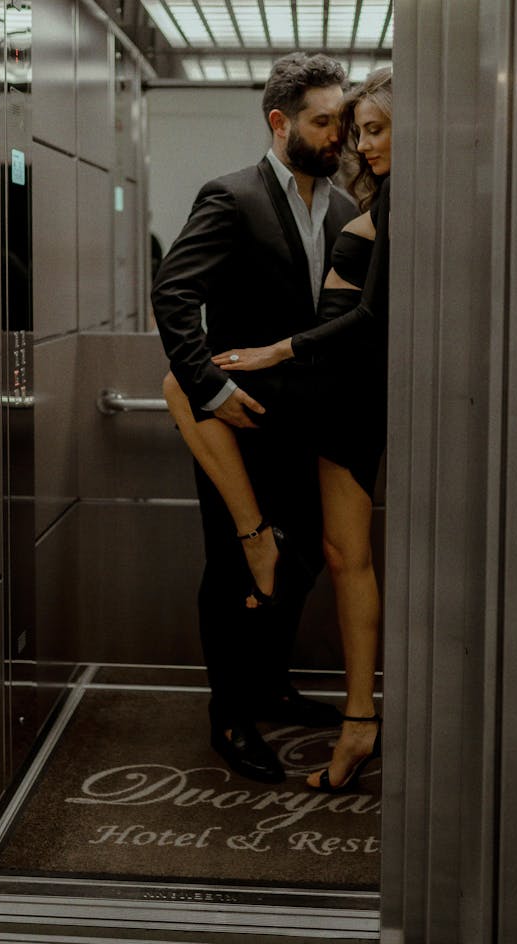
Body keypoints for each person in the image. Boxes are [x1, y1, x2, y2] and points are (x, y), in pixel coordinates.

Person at [162, 68, 392, 792]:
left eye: (343, 123)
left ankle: (270, 686)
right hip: (240, 419)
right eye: (324, 122)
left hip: (310, 418)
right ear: (279, 122)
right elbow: (175, 292)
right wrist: (209, 387)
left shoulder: (345, 206)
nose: (338, 136)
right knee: (234, 565)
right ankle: (230, 716)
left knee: (300, 564)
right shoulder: (232, 196)